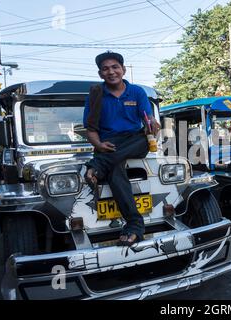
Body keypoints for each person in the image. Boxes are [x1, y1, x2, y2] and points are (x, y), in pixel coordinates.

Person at [83, 51, 160, 246]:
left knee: (141, 139)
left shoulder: (137, 92)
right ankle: (135, 225)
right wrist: (99, 145)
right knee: (115, 168)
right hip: (108, 144)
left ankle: (96, 166)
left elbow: (148, 120)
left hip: (135, 141)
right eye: (105, 69)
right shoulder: (95, 95)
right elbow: (91, 130)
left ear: (123, 70)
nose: (111, 71)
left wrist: (152, 124)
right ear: (100, 74)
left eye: (115, 67)